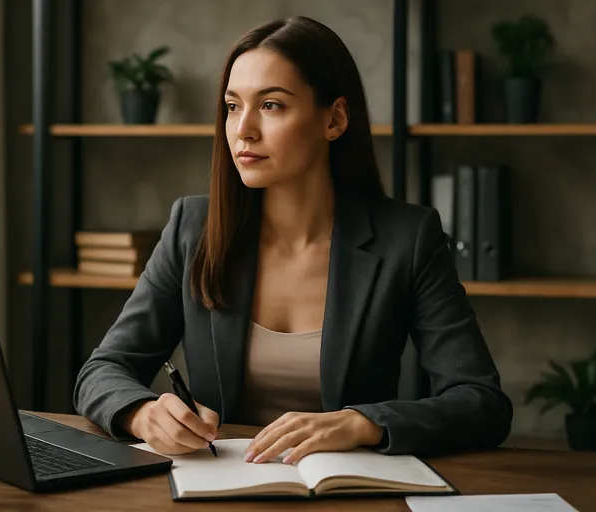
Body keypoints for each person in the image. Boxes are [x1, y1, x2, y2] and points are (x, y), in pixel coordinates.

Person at [74, 15, 512, 465]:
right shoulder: (193, 227)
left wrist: (361, 423)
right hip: (217, 485)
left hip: (347, 490)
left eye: (271, 106)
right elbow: (102, 371)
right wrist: (143, 413)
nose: (243, 129)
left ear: (335, 119)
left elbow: (481, 402)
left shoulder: (407, 238)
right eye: (232, 106)